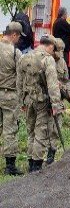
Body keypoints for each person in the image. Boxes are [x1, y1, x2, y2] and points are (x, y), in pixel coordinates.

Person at [17, 35, 63, 173]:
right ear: (50, 46)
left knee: (30, 132)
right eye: (53, 48)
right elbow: (53, 85)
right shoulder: (48, 60)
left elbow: (19, 82)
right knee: (41, 132)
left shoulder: (23, 58)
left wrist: (21, 101)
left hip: (28, 100)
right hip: (42, 101)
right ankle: (36, 166)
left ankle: (30, 162)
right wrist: (55, 105)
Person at [45, 39, 70, 165]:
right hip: (45, 99)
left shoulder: (62, 62)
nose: (59, 55)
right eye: (58, 51)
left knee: (56, 127)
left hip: (58, 100)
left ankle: (51, 154)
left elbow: (66, 80)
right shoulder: (45, 60)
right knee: (45, 128)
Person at [0, 22, 26, 175]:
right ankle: (10, 166)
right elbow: (22, 75)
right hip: (10, 95)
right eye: (19, 37)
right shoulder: (15, 52)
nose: (19, 40)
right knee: (10, 130)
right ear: (14, 34)